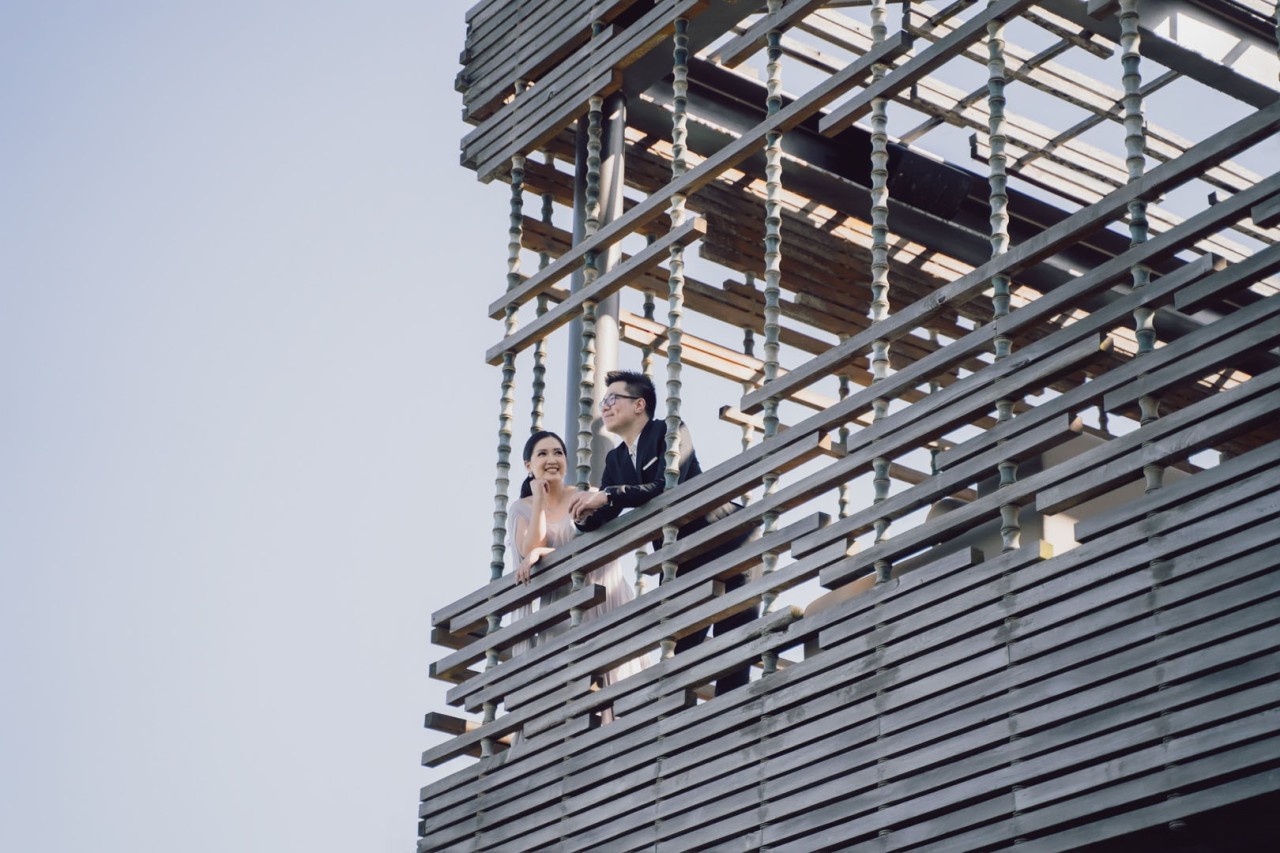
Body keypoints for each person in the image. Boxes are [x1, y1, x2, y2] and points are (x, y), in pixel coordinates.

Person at [568, 370, 757, 695]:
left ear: (639, 404)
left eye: (612, 399)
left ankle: (737, 717)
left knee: (733, 646)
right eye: (603, 402)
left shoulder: (670, 430)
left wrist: (608, 495)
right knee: (681, 651)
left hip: (730, 541)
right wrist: (583, 515)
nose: (605, 407)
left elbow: (664, 486)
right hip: (685, 559)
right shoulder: (616, 459)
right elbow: (605, 513)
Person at [506, 430, 644, 688]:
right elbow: (530, 551)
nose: (552, 460)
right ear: (528, 465)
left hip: (603, 591)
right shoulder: (521, 508)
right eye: (542, 454)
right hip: (562, 607)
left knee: (617, 681)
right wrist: (539, 500)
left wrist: (543, 553)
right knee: (572, 688)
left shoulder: (586, 495)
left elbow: (594, 542)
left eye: (558, 453)